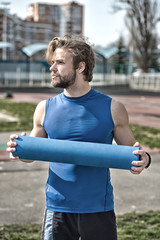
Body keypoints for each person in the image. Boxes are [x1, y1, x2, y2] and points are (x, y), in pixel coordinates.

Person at [7, 35, 151, 240]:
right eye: (52, 63)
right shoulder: (44, 109)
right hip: (57, 208)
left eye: (60, 62)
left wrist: (145, 159)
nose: (52, 68)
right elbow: (30, 156)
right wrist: (20, 149)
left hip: (98, 208)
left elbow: (133, 152)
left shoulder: (113, 108)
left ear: (81, 67)